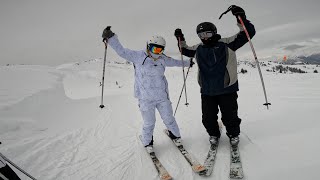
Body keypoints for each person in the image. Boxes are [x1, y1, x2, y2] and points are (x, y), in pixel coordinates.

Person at [173, 5, 255, 146]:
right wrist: (180, 38)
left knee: (230, 116)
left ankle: (233, 134)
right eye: (201, 35)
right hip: (207, 90)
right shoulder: (199, 49)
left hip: (227, 88)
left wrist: (240, 17)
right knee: (208, 118)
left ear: (214, 33)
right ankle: (213, 134)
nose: (204, 37)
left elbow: (248, 33)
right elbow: (184, 50)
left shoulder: (228, 44)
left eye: (207, 34)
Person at [102, 27, 193, 152]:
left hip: (162, 97)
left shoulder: (162, 59)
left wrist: (188, 63)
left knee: (169, 118)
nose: (156, 52)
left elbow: (175, 62)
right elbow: (122, 52)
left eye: (159, 49)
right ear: (148, 46)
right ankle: (147, 143)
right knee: (149, 123)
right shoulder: (138, 56)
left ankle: (176, 136)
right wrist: (111, 38)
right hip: (145, 98)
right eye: (153, 48)